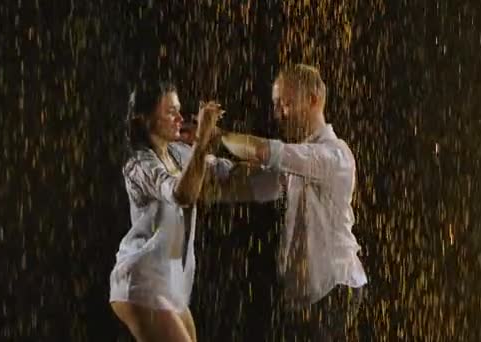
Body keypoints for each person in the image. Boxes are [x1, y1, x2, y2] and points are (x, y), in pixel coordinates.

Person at [206, 64, 368, 341]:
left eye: (286, 103)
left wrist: (217, 136)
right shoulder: (298, 160)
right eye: (276, 104)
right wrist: (198, 160)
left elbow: (261, 150)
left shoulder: (333, 155)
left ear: (314, 100)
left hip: (335, 288)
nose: (278, 114)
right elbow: (247, 185)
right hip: (307, 295)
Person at [109, 80, 227, 342]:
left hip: (169, 283)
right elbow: (181, 194)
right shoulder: (139, 164)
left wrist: (281, 167)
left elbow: (224, 172)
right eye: (170, 111)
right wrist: (202, 140)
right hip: (140, 280)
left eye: (180, 111)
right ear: (143, 118)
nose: (180, 118)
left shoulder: (178, 153)